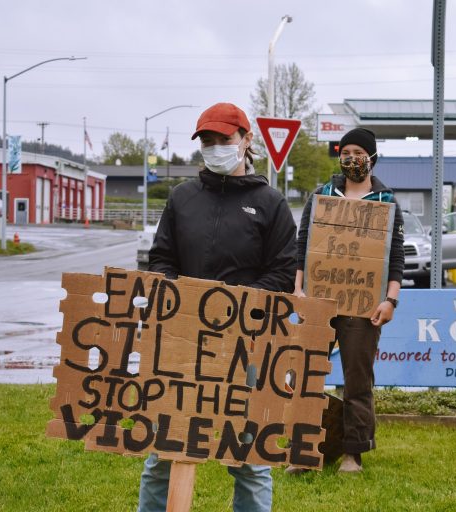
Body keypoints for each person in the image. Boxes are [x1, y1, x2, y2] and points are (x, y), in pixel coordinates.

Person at [137, 102, 297, 512]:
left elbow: (282, 273)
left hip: (245, 347)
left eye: (223, 139)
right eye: (207, 140)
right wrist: (179, 300)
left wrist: (235, 311)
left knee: (249, 457)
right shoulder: (182, 198)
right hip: (181, 343)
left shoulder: (271, 204)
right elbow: (161, 258)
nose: (214, 147)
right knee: (162, 451)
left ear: (246, 141)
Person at [289, 127, 404, 474]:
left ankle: (353, 452)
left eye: (358, 152)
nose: (351, 158)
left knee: (357, 380)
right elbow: (304, 246)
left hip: (364, 306)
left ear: (371, 157)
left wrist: (390, 301)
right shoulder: (322, 196)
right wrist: (299, 290)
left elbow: (395, 257)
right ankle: (304, 450)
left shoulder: (386, 201)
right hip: (319, 304)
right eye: (346, 151)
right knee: (306, 377)